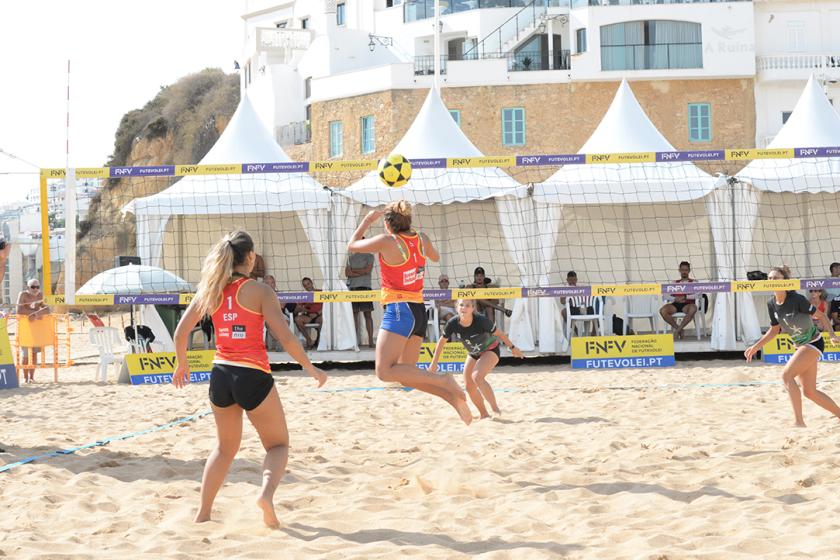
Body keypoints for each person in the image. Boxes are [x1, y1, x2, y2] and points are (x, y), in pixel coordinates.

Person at [172, 230, 327, 528]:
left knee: (224, 449)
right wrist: (310, 368)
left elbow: (180, 333)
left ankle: (202, 514)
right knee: (278, 446)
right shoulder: (260, 291)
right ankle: (266, 496)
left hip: (220, 376)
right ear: (251, 257)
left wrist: (182, 365)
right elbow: (287, 338)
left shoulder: (211, 289)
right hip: (252, 374)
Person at [347, 201, 472, 425]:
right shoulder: (421, 239)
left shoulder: (388, 241)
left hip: (399, 309)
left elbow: (352, 245)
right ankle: (452, 398)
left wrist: (366, 221)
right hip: (418, 311)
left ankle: (443, 379)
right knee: (407, 375)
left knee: (384, 372)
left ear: (388, 224)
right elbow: (434, 257)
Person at [745, 266, 840, 427]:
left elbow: (821, 315)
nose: (771, 281)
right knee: (809, 392)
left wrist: (831, 334)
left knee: (786, 376)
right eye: (769, 278)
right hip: (800, 345)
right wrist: (756, 346)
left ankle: (799, 422)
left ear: (785, 282)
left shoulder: (797, 299)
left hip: (813, 343)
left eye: (775, 278)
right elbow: (774, 330)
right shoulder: (771, 303)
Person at [429, 299, 524, 419]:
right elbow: (441, 342)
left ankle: (495, 408)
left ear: (472, 308)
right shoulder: (453, 323)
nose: (464, 308)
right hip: (473, 353)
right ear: (457, 308)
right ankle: (484, 414)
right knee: (469, 386)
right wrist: (434, 363)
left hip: (490, 350)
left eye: (467, 305)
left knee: (477, 377)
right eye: (461, 305)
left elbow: (500, 334)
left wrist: (513, 348)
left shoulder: (481, 321)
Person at [16, 278, 49, 383]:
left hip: (36, 328)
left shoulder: (41, 295)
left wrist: (37, 314)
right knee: (25, 355)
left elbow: (47, 309)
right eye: (33, 287)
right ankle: (25, 378)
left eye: (37, 287)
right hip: (25, 328)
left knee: (34, 354)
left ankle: (32, 377)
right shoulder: (23, 295)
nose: (35, 289)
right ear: (28, 287)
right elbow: (19, 310)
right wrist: (31, 313)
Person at [345, 246, 375, 348]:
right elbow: (347, 273)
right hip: (353, 288)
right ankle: (355, 341)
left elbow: (367, 270)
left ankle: (371, 340)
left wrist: (353, 271)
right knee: (354, 316)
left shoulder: (370, 256)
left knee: (367, 315)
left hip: (365, 288)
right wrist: (361, 271)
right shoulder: (350, 257)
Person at [660, 261, 698, 339]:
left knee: (693, 308)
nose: (684, 272)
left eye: (686, 270)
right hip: (675, 304)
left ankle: (677, 331)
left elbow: (698, 295)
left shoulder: (694, 282)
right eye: (682, 270)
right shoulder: (674, 282)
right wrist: (675, 298)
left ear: (689, 271)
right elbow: (665, 295)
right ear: (679, 270)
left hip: (688, 304)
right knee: (662, 311)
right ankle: (679, 329)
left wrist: (685, 297)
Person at [559, 271, 604, 336]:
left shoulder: (581, 287)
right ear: (567, 280)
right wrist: (569, 294)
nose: (572, 281)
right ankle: (575, 329)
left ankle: (593, 334)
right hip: (573, 308)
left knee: (596, 312)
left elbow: (587, 298)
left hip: (583, 307)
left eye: (574, 279)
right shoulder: (565, 288)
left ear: (576, 279)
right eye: (570, 280)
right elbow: (562, 301)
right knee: (564, 312)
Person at [294, 277, 323, 349]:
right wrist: (301, 309)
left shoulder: (320, 292)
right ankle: (309, 340)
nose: (307, 286)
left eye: (308, 284)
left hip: (318, 315)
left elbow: (326, 307)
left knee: (323, 320)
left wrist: (316, 314)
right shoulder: (304, 296)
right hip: (308, 316)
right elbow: (296, 311)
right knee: (297, 319)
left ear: (312, 283)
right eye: (305, 285)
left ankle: (319, 340)